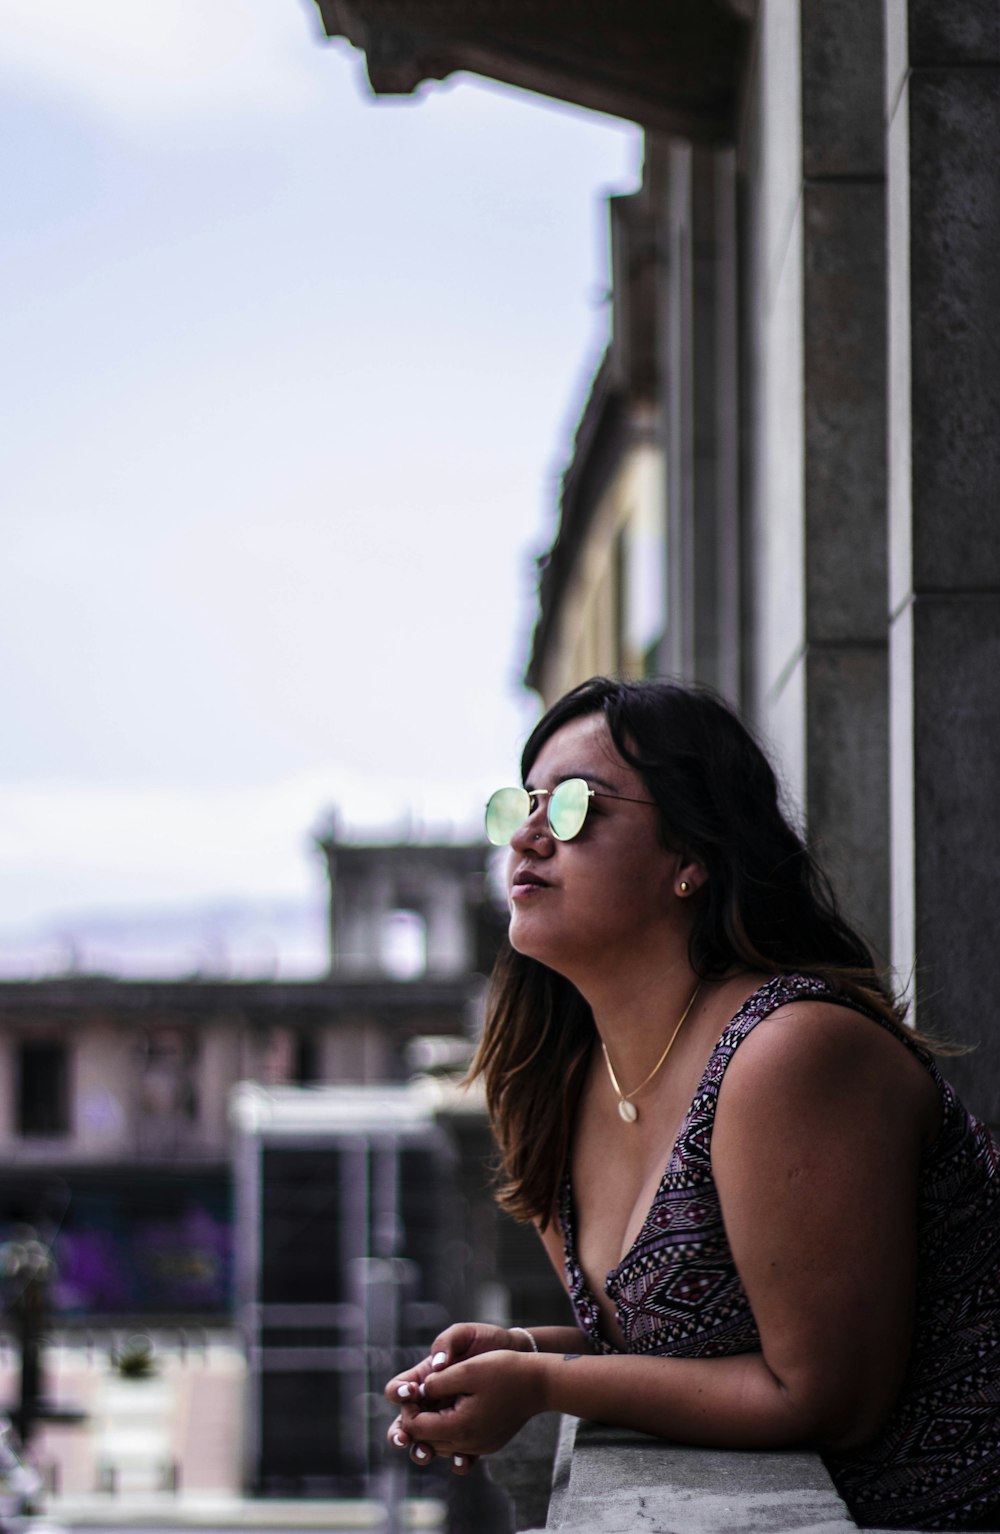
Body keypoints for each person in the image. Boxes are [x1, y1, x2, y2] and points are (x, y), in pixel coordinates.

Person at [385, 676, 1000, 1531]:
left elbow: (820, 1396)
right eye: (521, 805)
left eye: (574, 807)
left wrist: (543, 1384)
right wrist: (519, 1352)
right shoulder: (558, 1085)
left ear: (690, 859)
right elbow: (682, 1356)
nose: (528, 834)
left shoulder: (790, 1049)